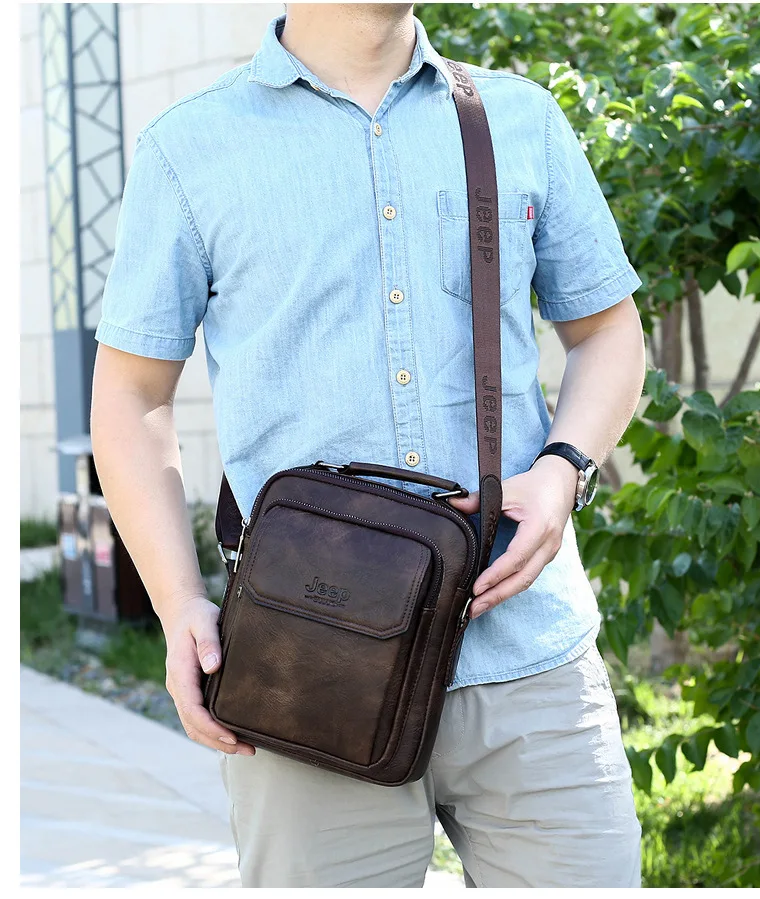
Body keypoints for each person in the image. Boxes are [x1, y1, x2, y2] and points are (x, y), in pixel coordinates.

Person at [91, 2, 646, 888]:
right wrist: (178, 601)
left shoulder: (521, 118)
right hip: (304, 663)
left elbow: (608, 331)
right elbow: (130, 395)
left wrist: (563, 468)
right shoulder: (189, 149)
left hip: (529, 653)